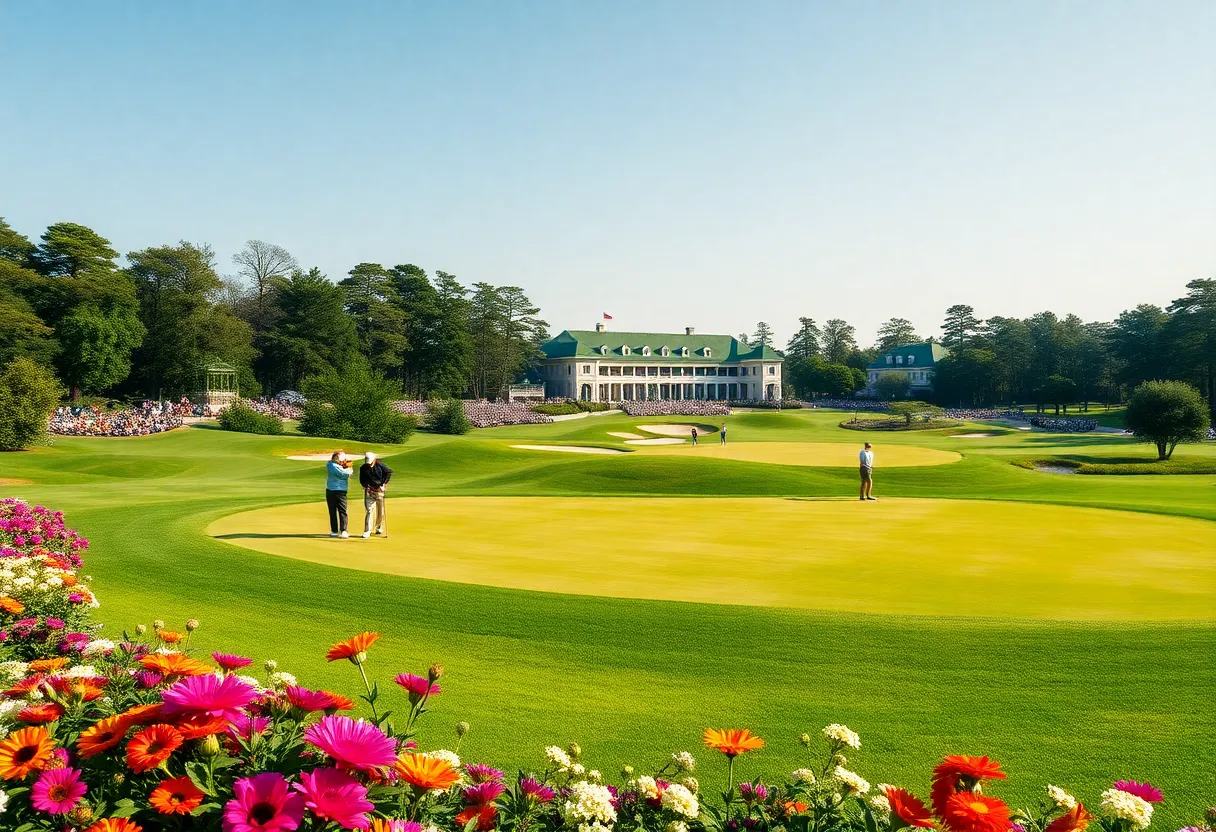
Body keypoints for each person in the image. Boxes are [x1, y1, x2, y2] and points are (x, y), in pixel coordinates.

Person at [359, 451, 393, 538]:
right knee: (369, 510)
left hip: (379, 490)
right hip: (369, 490)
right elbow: (362, 480)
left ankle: (378, 527)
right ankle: (367, 531)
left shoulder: (380, 466)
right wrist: (365, 486)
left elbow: (389, 473)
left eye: (371, 463)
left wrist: (384, 484)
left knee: (380, 510)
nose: (369, 465)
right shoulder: (363, 468)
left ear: (374, 460)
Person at [325, 451, 353, 537]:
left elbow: (344, 472)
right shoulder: (331, 465)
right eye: (342, 460)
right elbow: (344, 474)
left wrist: (346, 467)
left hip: (341, 491)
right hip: (332, 490)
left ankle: (343, 530)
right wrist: (349, 468)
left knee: (342, 511)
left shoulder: (340, 466)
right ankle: (334, 531)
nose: (343, 461)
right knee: (332, 511)